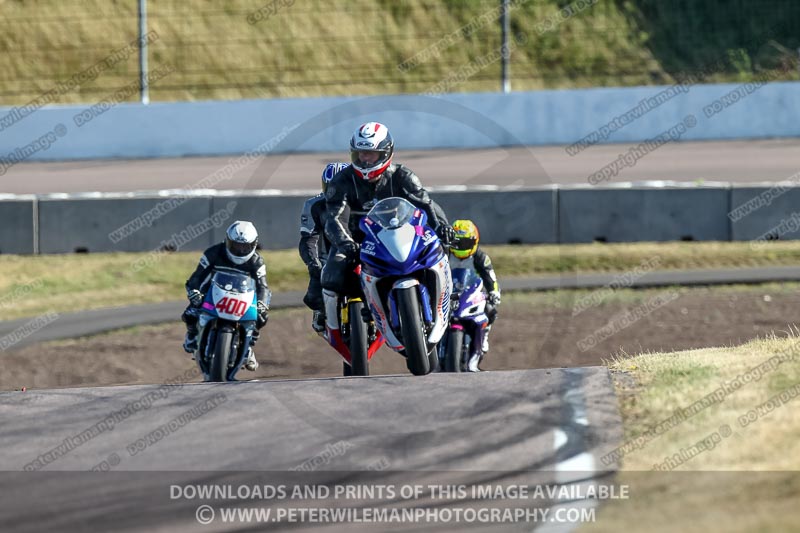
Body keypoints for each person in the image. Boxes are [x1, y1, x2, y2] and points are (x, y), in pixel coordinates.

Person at [321, 121, 454, 333]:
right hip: (359, 242)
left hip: (401, 237)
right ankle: (329, 323)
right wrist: (346, 244)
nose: (364, 160)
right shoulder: (341, 182)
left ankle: (444, 294)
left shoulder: (403, 176)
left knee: (440, 245)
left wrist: (441, 227)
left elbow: (426, 205)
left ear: (385, 153)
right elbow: (335, 219)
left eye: (370, 155)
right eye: (360, 154)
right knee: (331, 275)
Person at [182, 220, 271, 371]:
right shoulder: (213, 253)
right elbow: (196, 277)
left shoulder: (256, 261)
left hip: (242, 297)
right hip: (212, 293)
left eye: (245, 246)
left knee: (261, 317)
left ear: (254, 244)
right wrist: (194, 291)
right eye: (236, 245)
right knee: (190, 313)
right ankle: (192, 335)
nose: (240, 250)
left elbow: (263, 286)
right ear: (227, 241)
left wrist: (262, 304)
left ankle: (248, 346)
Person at [299, 162, 350, 333]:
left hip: (361, 253)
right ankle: (321, 311)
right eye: (330, 187)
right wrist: (313, 264)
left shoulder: (363, 200)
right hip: (328, 259)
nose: (334, 192)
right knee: (314, 298)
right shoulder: (314, 205)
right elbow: (308, 239)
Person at [449, 219, 501, 355]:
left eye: (465, 243)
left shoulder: (480, 257)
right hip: (448, 294)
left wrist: (494, 292)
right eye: (457, 243)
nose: (461, 247)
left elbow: (490, 276)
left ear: (474, 242)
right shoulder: (444, 253)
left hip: (471, 294)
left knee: (490, 310)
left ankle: (484, 336)